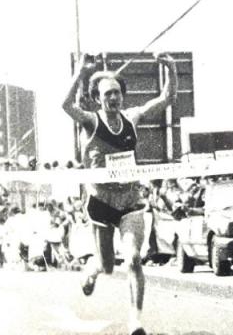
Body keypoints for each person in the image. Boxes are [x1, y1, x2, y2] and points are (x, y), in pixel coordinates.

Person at [62, 52, 178, 335]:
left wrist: (172, 68)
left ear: (122, 95)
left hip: (130, 201)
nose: (113, 99)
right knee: (107, 265)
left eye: (116, 93)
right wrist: (79, 72)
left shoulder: (132, 118)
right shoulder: (90, 121)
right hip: (101, 202)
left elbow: (166, 100)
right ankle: (91, 270)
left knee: (134, 258)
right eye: (107, 94)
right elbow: (65, 105)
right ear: (97, 98)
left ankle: (135, 321)